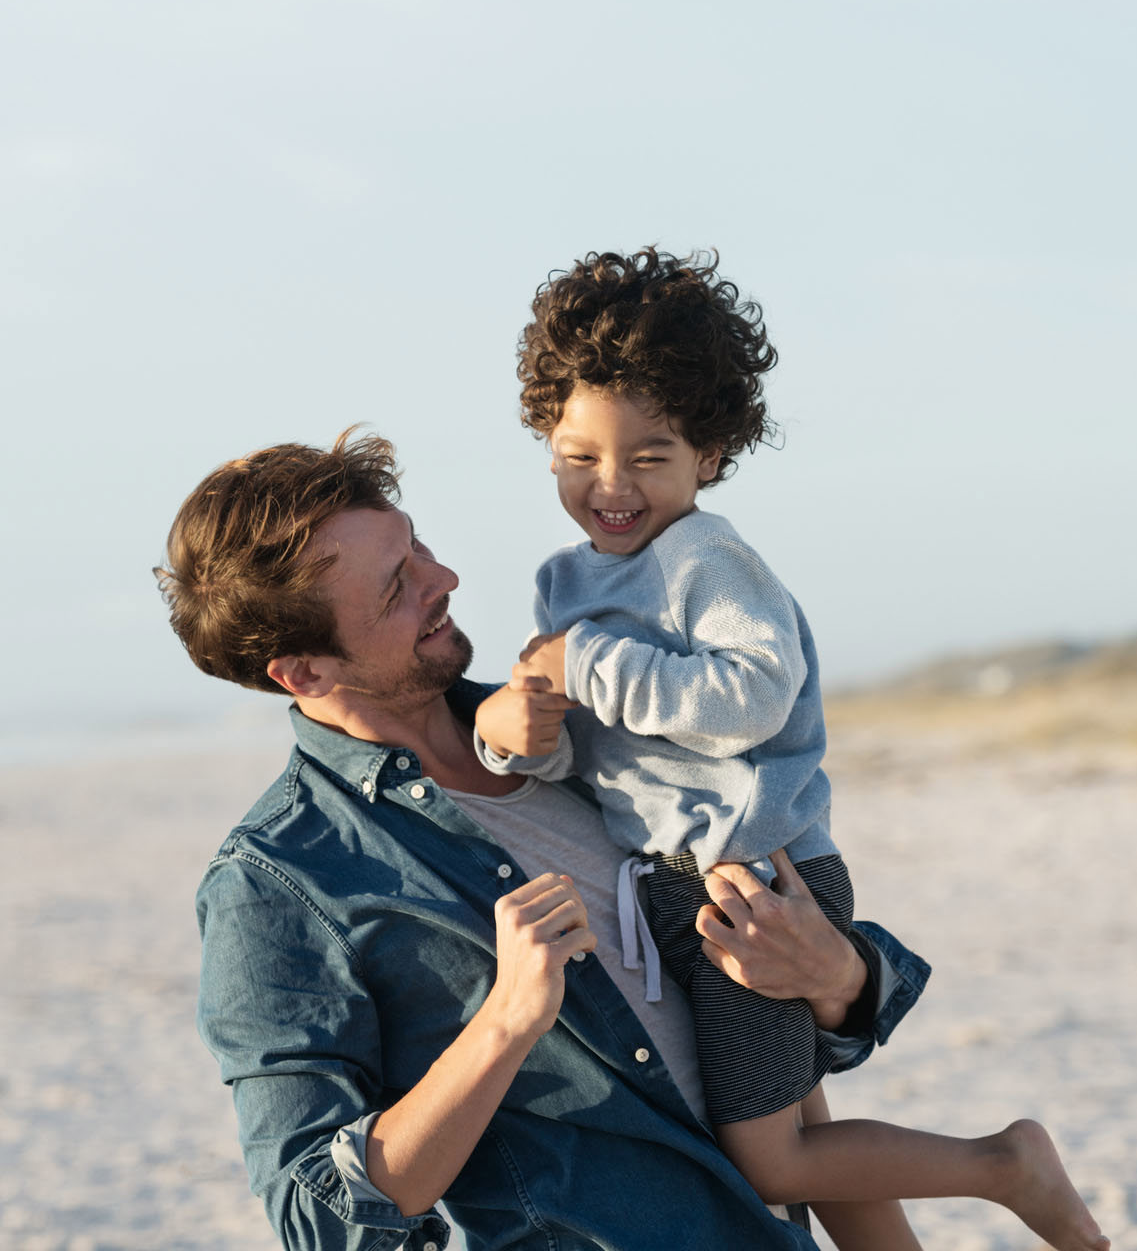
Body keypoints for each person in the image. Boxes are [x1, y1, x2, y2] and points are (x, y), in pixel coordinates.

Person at [471, 248, 1109, 1251]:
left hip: (753, 880)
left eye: (651, 455)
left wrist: (586, 660)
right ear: (543, 438)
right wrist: (518, 731)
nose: (612, 485)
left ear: (711, 453)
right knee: (808, 1126)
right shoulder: (564, 581)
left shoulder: (707, 559)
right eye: (578, 453)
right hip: (675, 881)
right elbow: (594, 753)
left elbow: (751, 699)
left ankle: (1005, 1163)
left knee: (773, 1159)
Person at [158, 431, 932, 1250]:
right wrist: (506, 1022)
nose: (443, 579)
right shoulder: (278, 881)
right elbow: (319, 1218)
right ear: (304, 673)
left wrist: (839, 978)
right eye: (395, 590)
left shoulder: (596, 729)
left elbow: (794, 1060)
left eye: (416, 545)